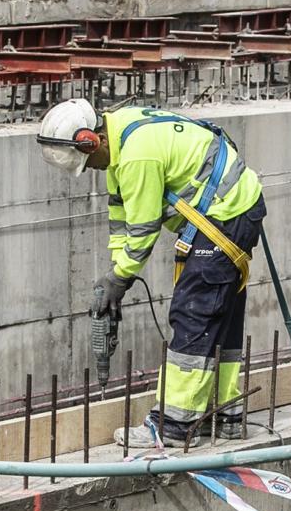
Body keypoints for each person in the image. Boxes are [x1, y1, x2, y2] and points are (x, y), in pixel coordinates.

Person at [36, 99, 265, 448]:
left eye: (89, 162)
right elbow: (120, 214)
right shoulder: (122, 133)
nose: (92, 169)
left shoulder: (136, 156)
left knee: (194, 314)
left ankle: (173, 425)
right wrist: (114, 271)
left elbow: (142, 230)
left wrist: (122, 277)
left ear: (93, 141)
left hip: (225, 215)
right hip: (233, 211)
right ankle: (225, 416)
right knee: (220, 319)